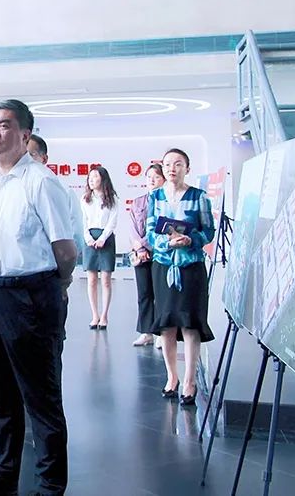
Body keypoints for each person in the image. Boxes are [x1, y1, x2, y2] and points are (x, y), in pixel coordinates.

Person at [0, 100, 76, 496]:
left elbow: (66, 251)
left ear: (25, 135)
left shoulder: (41, 182)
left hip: (28, 296)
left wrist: (55, 289)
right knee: (0, 394)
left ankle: (50, 484)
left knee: (41, 397)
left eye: (5, 125)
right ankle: (4, 472)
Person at [147, 148, 215, 407]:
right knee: (166, 324)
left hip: (191, 267)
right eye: (167, 164)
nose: (171, 169)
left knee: (189, 323)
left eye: (177, 164)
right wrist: (166, 243)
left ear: (187, 168)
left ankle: (189, 381)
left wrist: (190, 240)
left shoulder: (199, 197)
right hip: (164, 266)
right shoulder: (155, 197)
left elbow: (208, 231)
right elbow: (150, 231)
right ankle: (171, 377)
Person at [129, 164, 165, 347]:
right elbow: (133, 228)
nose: (152, 180)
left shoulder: (167, 202)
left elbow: (163, 228)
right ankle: (146, 332)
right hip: (140, 255)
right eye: (149, 176)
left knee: (160, 294)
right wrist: (140, 248)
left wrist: (145, 245)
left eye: (156, 176)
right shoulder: (138, 202)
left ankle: (161, 334)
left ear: (163, 179)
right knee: (144, 294)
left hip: (160, 253)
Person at [81, 166, 119, 330]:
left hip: (106, 239)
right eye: (90, 177)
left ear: (103, 179)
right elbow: (83, 221)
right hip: (90, 239)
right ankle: (95, 315)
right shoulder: (85, 199)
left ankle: (104, 316)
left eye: (95, 176)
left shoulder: (112, 199)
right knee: (91, 280)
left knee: (105, 280)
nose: (91, 180)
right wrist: (89, 239)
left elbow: (112, 222)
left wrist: (103, 238)